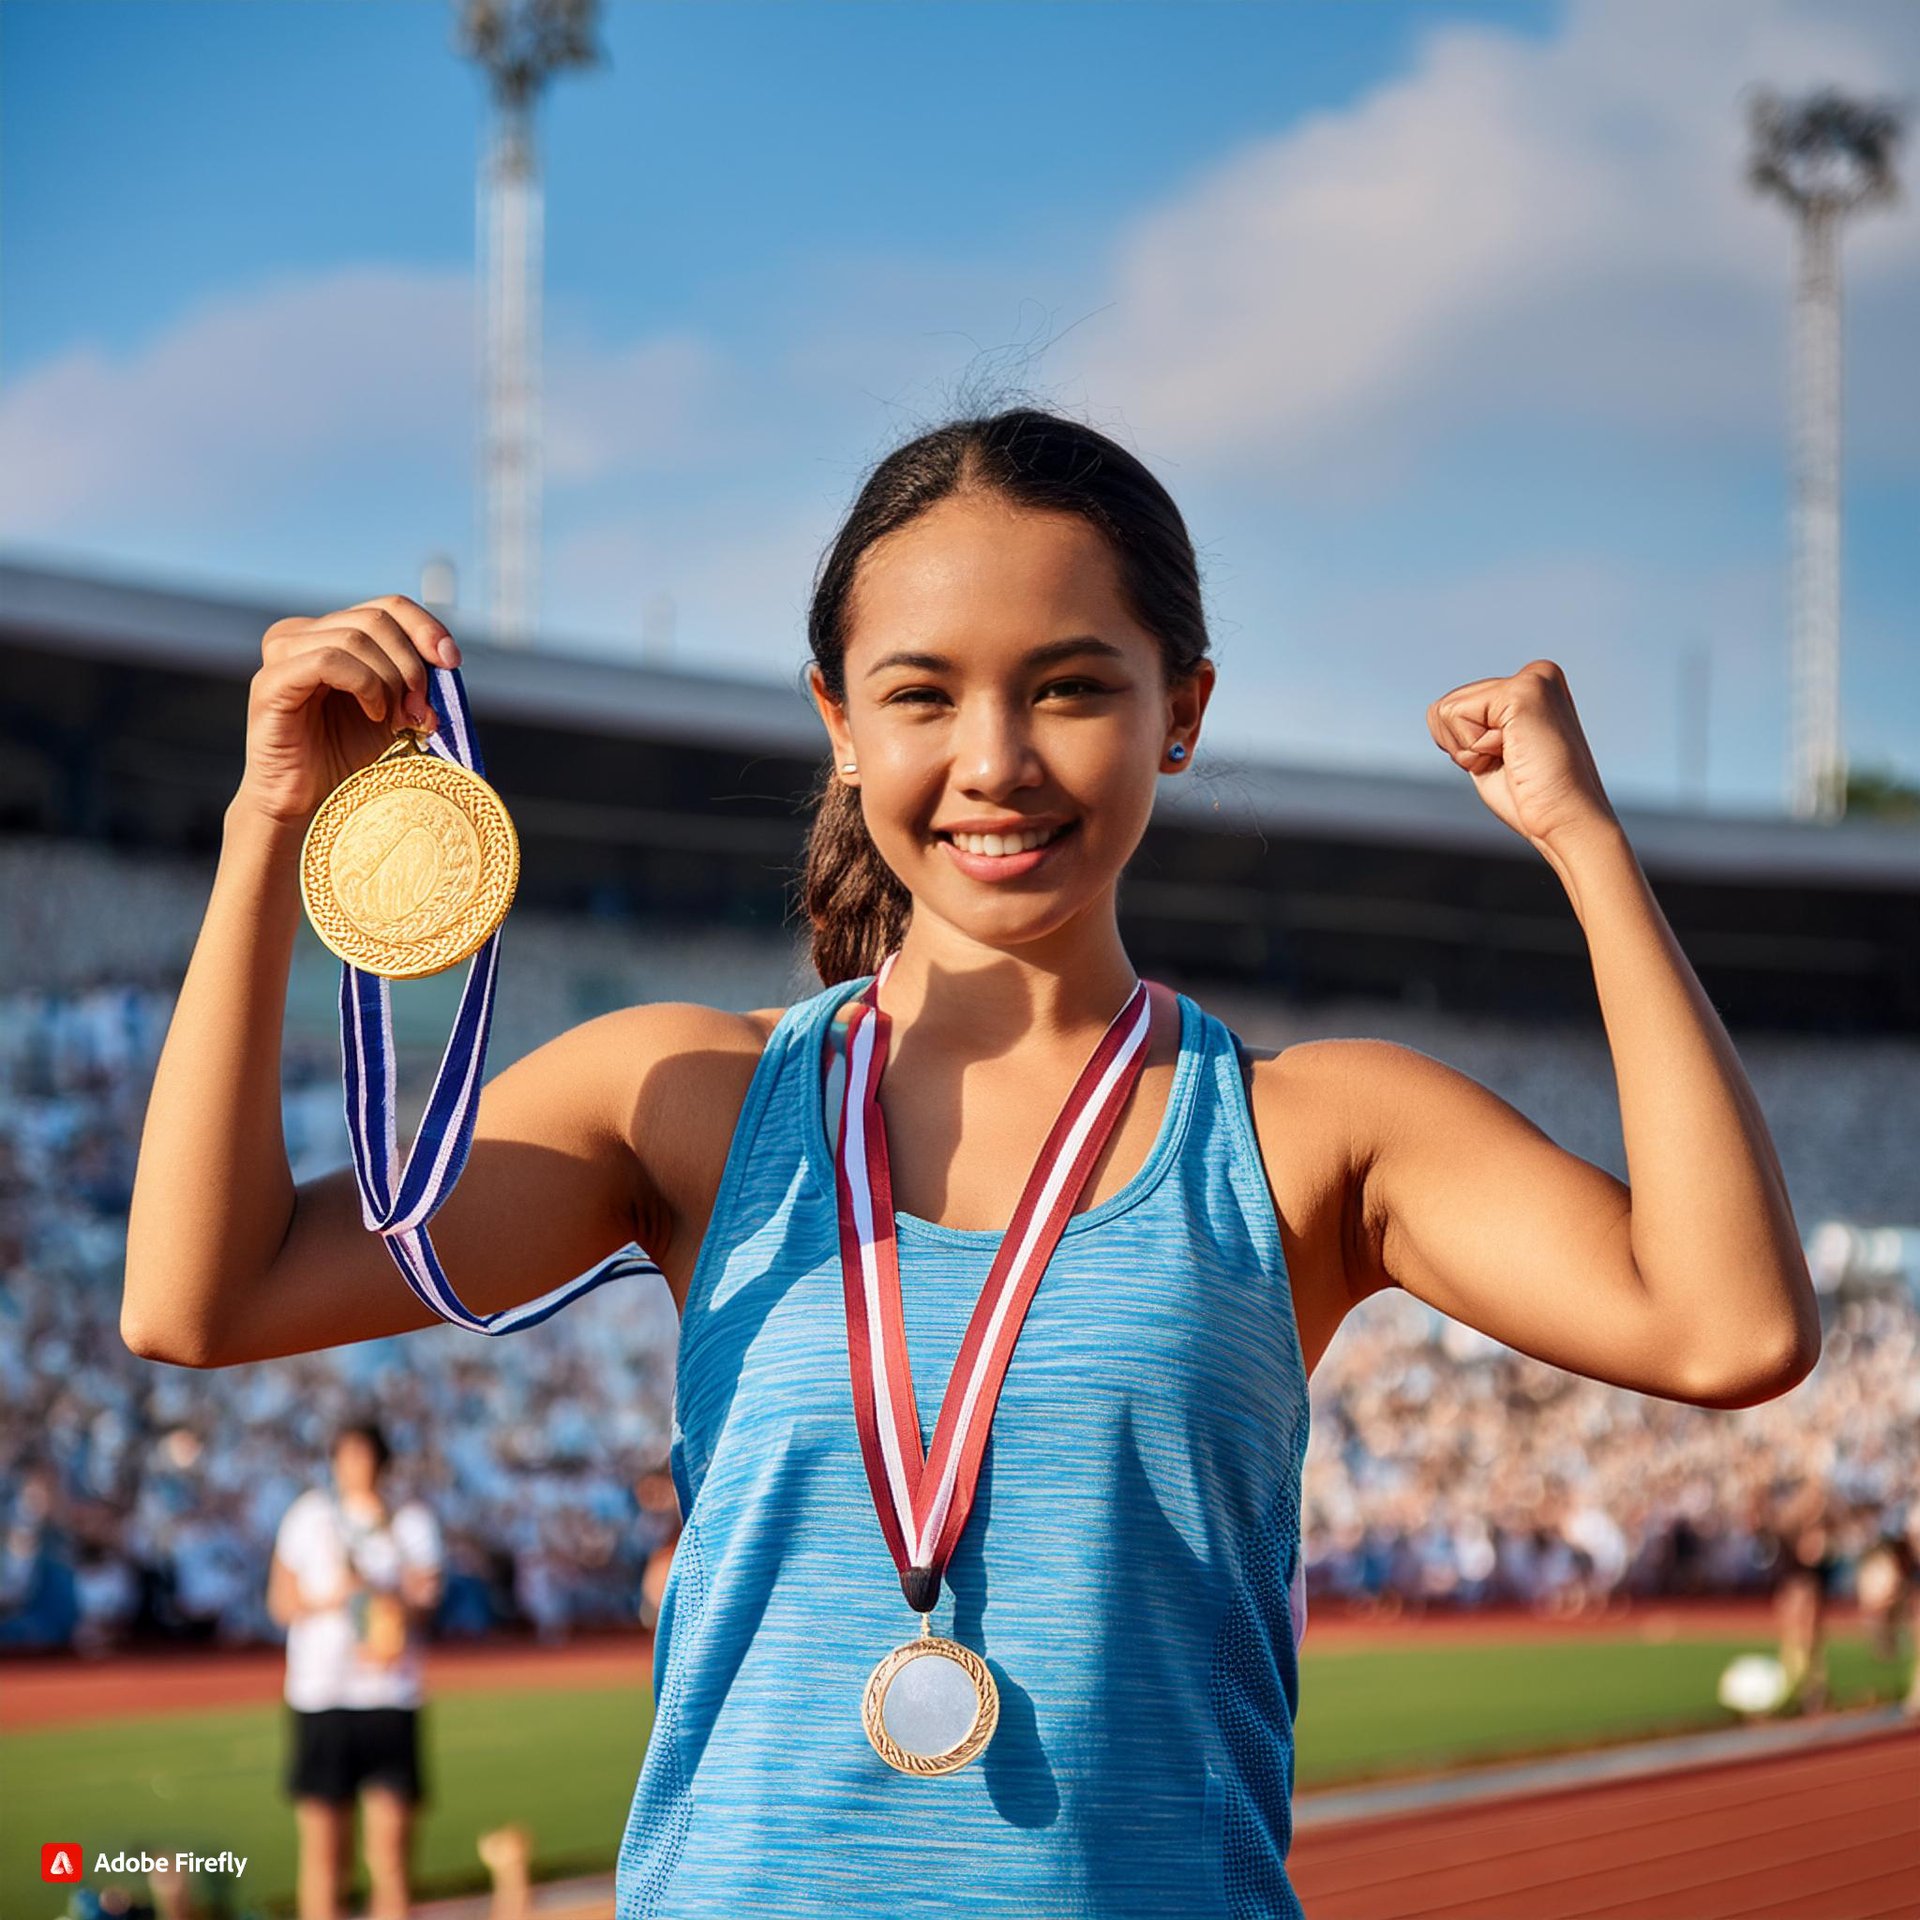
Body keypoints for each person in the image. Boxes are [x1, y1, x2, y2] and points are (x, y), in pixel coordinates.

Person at [122, 406, 1822, 1917]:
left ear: (1185, 711)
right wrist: (268, 828)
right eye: (921, 694)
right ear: (837, 721)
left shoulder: (1312, 1134)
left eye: (1074, 686)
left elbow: (1727, 1327)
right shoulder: (688, 1104)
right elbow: (205, 1297)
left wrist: (1586, 844)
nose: (995, 760)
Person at [267, 1418, 444, 1920]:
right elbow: (281, 1602)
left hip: (390, 1693)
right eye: (344, 1457)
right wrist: (332, 1596)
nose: (353, 1468)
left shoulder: (410, 1521)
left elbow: (427, 1602)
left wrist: (389, 1601)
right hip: (322, 1693)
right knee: (325, 1854)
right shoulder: (310, 1516)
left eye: (363, 1457)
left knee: (391, 1855)